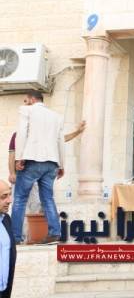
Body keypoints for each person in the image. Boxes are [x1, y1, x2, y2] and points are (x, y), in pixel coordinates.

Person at [13, 90, 65, 244]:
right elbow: (60, 141)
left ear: (31, 99)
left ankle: (15, 237)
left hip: (32, 159)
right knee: (47, 198)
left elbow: (22, 133)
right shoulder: (56, 116)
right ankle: (55, 233)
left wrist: (19, 157)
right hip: (52, 163)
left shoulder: (26, 110)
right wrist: (62, 165)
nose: (24, 103)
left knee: (20, 198)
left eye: (26, 100)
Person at [7, 121, 85, 185]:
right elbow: (12, 155)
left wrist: (78, 132)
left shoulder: (44, 136)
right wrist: (12, 173)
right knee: (20, 198)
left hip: (37, 176)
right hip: (21, 175)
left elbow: (62, 139)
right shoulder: (18, 135)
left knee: (36, 198)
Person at [0, 180, 16, 298]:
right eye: (3, 197)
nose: (9, 200)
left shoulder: (6, 219)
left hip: (4, 291)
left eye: (9, 195)